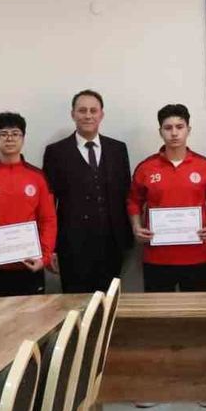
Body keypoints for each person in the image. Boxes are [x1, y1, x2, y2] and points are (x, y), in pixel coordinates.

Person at [43, 90, 132, 293]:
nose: (88, 115)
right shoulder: (56, 152)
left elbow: (125, 193)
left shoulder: (118, 149)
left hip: (113, 244)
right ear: (73, 114)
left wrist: (127, 239)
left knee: (109, 302)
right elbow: (49, 203)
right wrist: (51, 247)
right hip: (72, 244)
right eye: (82, 110)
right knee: (75, 303)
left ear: (101, 114)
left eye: (93, 110)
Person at [128, 104, 206, 292]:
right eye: (168, 128)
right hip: (157, 257)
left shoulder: (205, 166)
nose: (174, 133)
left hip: (197, 256)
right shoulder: (146, 168)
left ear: (188, 130)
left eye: (179, 127)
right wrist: (136, 227)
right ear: (160, 132)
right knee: (159, 309)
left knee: (197, 309)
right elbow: (133, 201)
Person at [0, 113, 57, 298]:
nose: (9, 138)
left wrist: (45, 257)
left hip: (29, 266)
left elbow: (48, 220)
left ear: (23, 139)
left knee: (31, 317)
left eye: (15, 133)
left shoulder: (38, 177)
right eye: (3, 134)